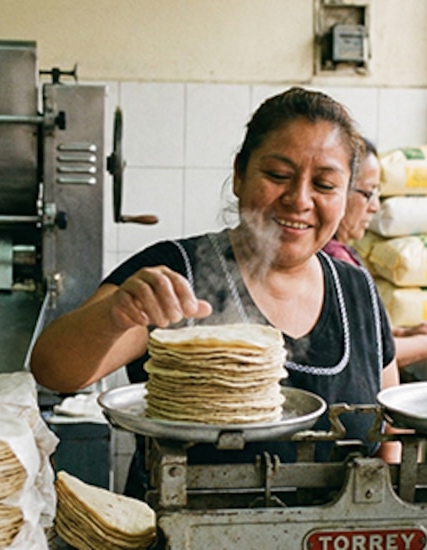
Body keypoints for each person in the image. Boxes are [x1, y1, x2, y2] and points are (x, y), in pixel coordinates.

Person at [29, 87, 400, 498]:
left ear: (347, 194)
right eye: (277, 176)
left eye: (325, 185)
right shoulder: (175, 272)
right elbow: (53, 371)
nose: (299, 200)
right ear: (240, 174)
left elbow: (389, 430)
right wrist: (114, 314)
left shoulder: (357, 292)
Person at [323, 137, 427, 366]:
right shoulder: (335, 264)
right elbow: (361, 353)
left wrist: (403, 334)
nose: (375, 206)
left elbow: (357, 333)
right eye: (368, 193)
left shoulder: (338, 255)